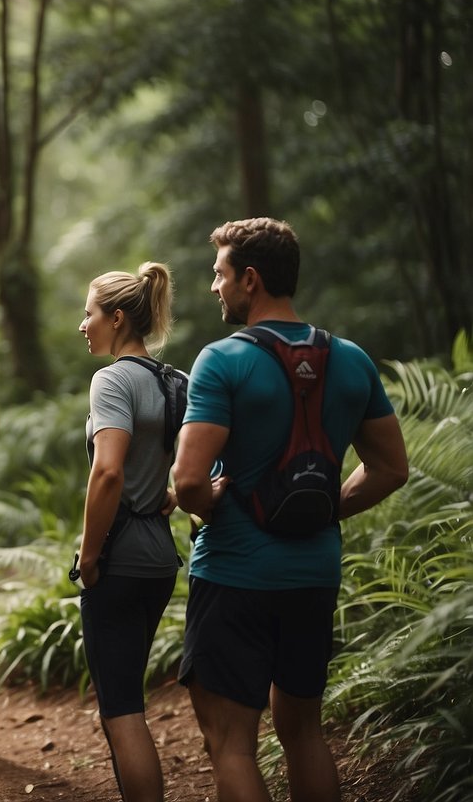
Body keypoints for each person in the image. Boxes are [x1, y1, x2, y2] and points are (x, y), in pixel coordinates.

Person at [172, 218, 409, 802]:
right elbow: (391, 468)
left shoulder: (221, 360)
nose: (213, 287)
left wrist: (205, 507)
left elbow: (187, 479)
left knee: (231, 744)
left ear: (249, 280)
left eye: (219, 274)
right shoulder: (351, 359)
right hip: (314, 575)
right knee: (304, 733)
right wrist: (328, 511)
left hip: (234, 572)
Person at [75, 264, 184, 801]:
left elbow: (109, 471)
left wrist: (89, 556)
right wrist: (172, 494)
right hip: (162, 561)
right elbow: (207, 467)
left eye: (90, 313)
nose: (83, 325)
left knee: (121, 711)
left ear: (117, 319)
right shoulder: (176, 381)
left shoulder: (112, 379)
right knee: (130, 699)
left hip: (117, 561)